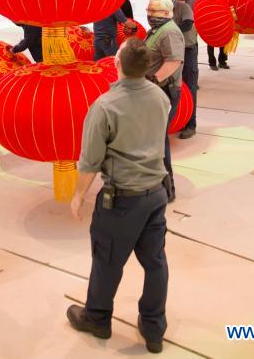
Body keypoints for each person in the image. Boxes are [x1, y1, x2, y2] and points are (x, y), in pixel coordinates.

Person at [67, 39, 170, 353]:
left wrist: (78, 195)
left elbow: (90, 160)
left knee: (108, 261)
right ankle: (153, 328)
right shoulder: (160, 97)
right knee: (155, 262)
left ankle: (97, 317)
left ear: (118, 64)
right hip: (156, 193)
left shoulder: (105, 106)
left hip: (123, 200)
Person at [143, 0, 185, 201]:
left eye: (155, 11)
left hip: (163, 90)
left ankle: (167, 189)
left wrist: (154, 79)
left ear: (167, 13)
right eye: (149, 11)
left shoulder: (169, 32)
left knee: (158, 140)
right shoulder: (157, 30)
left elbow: (174, 60)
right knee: (153, 139)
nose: (150, 15)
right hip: (154, 90)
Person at [172, 0, 198, 141]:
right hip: (172, 51)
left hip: (188, 50)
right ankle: (178, 120)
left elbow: (187, 25)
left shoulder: (184, 8)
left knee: (190, 86)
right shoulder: (162, 12)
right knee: (174, 88)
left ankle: (191, 124)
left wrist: (168, 30)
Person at [205, 0, 229, 70]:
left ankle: (222, 62)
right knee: (210, 43)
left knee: (224, 42)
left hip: (223, 22)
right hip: (211, 22)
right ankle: (212, 63)